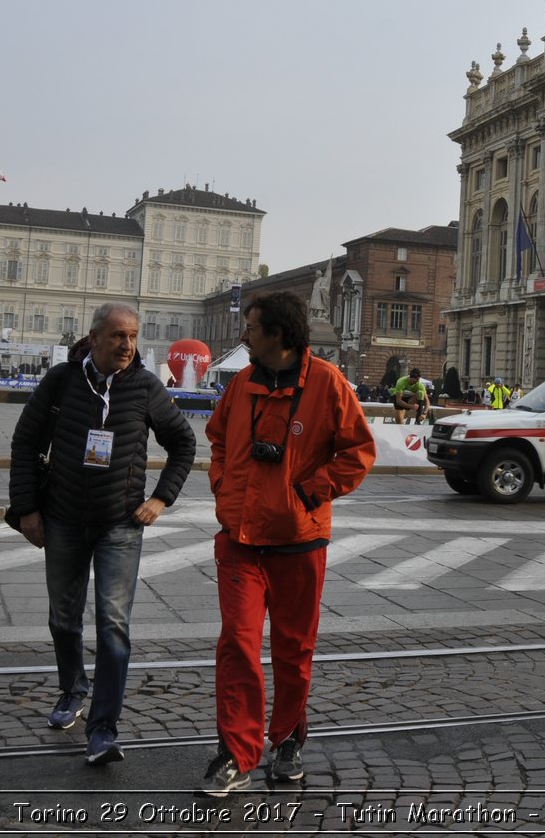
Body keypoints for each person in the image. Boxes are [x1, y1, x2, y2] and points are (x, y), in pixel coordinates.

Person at [198, 292, 376, 798]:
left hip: (299, 541)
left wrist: (308, 492)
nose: (244, 335)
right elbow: (217, 440)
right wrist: (223, 486)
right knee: (238, 642)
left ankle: (287, 739)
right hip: (240, 540)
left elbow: (358, 451)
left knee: (294, 651)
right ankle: (237, 751)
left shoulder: (327, 383)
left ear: (277, 334)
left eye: (251, 328)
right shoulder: (241, 385)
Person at [7, 303, 196, 767]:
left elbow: (184, 443)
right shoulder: (61, 381)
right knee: (63, 617)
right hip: (63, 518)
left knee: (113, 626)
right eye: (117, 336)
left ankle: (103, 729)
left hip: (120, 524)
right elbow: (25, 443)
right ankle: (72, 689)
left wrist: (161, 499)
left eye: (132, 337)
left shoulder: (146, 387)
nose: (127, 346)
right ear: (93, 338)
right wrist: (27, 510)